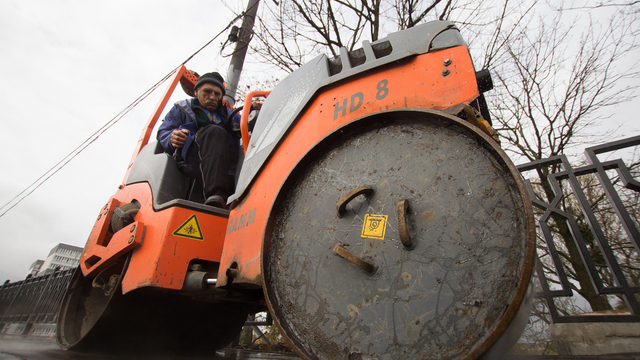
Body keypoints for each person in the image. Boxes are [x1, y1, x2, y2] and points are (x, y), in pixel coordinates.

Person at [157, 72, 241, 209]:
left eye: (217, 94)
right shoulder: (181, 109)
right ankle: (216, 195)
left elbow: (247, 125)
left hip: (227, 161)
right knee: (214, 131)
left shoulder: (231, 116)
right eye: (207, 92)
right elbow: (163, 132)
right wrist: (171, 137)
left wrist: (255, 111)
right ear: (196, 91)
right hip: (192, 156)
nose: (212, 97)